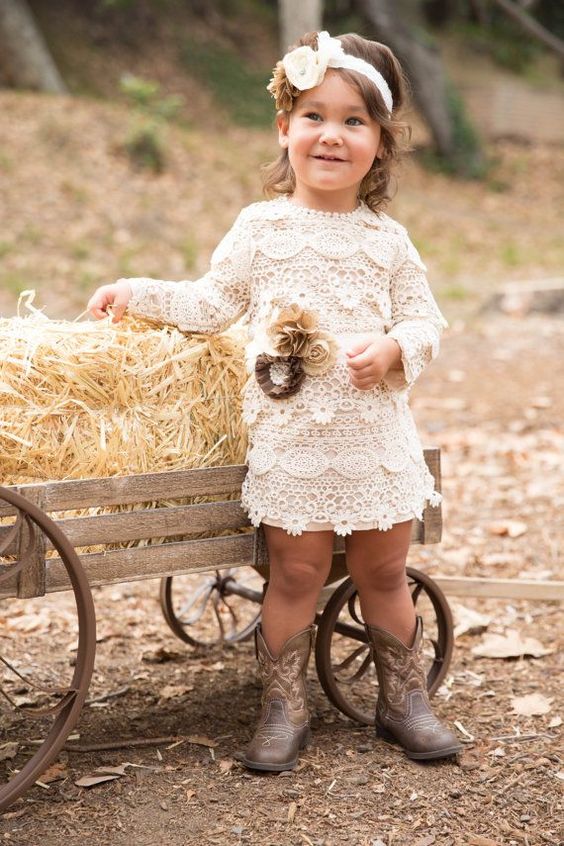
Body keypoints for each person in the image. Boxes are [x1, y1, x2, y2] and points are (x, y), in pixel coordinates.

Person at [88, 30, 462, 772]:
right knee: (294, 573)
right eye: (315, 116)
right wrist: (137, 293)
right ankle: (283, 707)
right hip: (293, 442)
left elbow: (426, 320)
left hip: (375, 441)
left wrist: (394, 348)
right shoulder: (261, 229)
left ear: (380, 145)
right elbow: (211, 302)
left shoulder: (388, 241)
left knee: (384, 573)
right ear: (285, 127)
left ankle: (404, 701)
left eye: (354, 121)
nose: (332, 135)